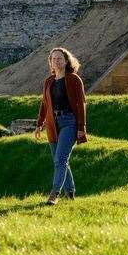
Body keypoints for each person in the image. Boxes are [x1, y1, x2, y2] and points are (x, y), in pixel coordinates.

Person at [34, 47, 87, 205]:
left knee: (60, 160)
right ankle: (70, 192)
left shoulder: (74, 79)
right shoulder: (48, 82)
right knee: (61, 161)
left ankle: (54, 193)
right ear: (50, 62)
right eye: (54, 59)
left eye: (60, 58)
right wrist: (39, 124)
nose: (57, 61)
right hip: (52, 124)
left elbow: (81, 104)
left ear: (66, 61)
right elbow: (44, 104)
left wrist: (81, 127)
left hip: (69, 122)